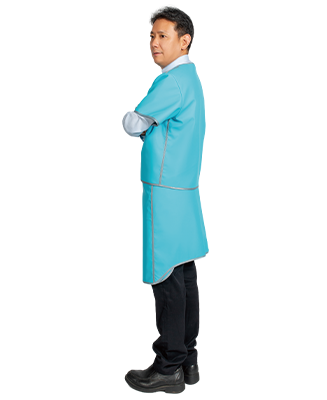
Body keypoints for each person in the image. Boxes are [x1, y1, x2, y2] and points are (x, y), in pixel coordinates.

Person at [123, 6, 208, 393]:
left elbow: (131, 127)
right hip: (187, 189)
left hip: (164, 189)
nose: (154, 43)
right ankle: (187, 359)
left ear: (184, 40)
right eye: (151, 36)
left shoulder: (171, 82)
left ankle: (168, 364)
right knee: (185, 275)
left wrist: (131, 120)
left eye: (163, 36)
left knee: (167, 280)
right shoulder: (195, 77)